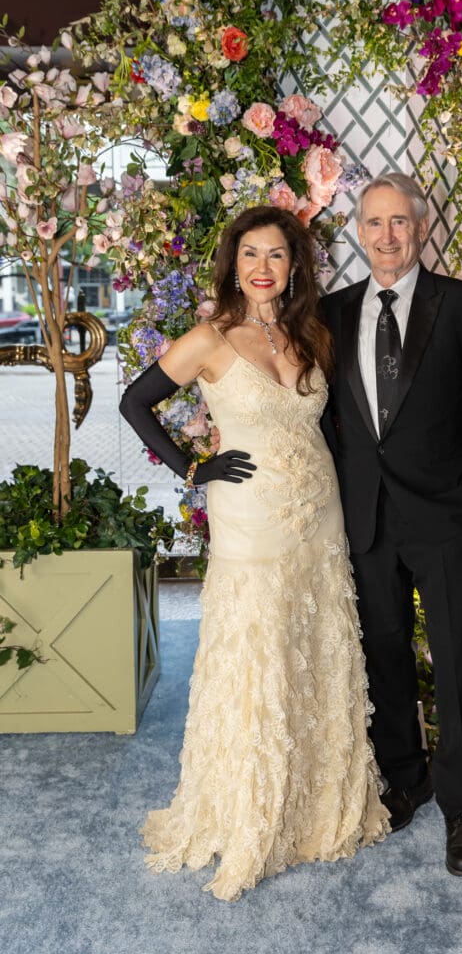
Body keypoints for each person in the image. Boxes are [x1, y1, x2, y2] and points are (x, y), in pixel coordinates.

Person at [119, 205, 389, 901]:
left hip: (319, 516)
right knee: (257, 649)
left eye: (275, 255)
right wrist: (192, 467)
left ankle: (317, 802)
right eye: (250, 254)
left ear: (294, 266)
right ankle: (250, 808)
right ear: (232, 265)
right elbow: (135, 403)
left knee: (316, 643)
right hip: (249, 519)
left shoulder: (312, 332)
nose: (262, 267)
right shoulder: (209, 338)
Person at [320, 174, 462, 877]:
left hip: (445, 515)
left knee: (458, 659)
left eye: (399, 221)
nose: (386, 236)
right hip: (364, 518)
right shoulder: (331, 312)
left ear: (421, 228)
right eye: (373, 223)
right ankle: (406, 779)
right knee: (383, 655)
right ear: (357, 231)